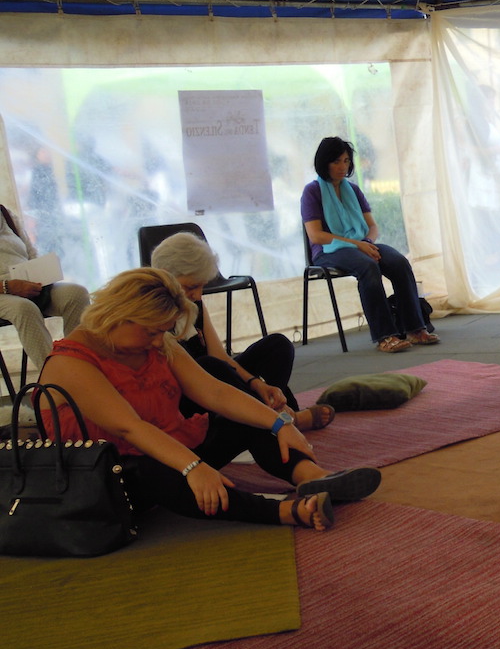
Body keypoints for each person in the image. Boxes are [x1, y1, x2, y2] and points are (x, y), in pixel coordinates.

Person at [38, 269, 384, 531]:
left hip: (169, 448)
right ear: (118, 316)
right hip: (112, 477)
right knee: (154, 470)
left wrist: (281, 422)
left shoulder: (156, 343)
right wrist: (193, 467)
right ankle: (280, 512)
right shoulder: (71, 362)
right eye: (152, 331)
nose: (160, 341)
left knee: (244, 415)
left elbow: (214, 392)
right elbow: (131, 429)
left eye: (165, 331)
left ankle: (311, 476)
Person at [150, 231, 334, 432]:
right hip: (189, 394)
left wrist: (256, 384)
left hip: (219, 379)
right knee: (210, 366)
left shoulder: (195, 304)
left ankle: (278, 409)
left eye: (202, 286)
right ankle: (280, 420)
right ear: (166, 275)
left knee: (277, 345)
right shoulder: (151, 315)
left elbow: (221, 356)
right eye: (191, 287)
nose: (197, 295)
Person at [301, 136, 438, 354]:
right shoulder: (312, 191)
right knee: (368, 266)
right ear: (324, 162)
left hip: (360, 244)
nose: (342, 167)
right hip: (327, 251)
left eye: (346, 161)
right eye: (336, 161)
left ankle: (415, 328)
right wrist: (358, 245)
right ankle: (385, 336)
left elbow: (372, 226)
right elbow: (316, 236)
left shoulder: (353, 190)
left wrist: (366, 242)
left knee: (399, 262)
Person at [0, 201, 89, 370]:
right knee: (23, 308)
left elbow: (30, 251)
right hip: (3, 292)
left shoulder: (6, 214)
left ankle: (79, 364)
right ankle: (55, 376)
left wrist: (39, 273)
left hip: (24, 282)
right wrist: (8, 286)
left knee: (77, 294)